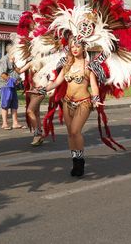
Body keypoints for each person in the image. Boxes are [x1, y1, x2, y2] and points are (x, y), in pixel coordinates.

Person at [37, 39, 103, 177]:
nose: (74, 49)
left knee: (75, 131)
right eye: (72, 46)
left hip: (83, 102)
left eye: (78, 46)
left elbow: (94, 86)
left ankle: (81, 160)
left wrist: (96, 99)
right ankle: (75, 161)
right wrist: (43, 89)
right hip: (67, 102)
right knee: (70, 134)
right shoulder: (67, 65)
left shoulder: (89, 65)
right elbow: (56, 82)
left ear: (83, 48)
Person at [0, 45, 24, 130]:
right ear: (10, 51)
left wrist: (14, 64)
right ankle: (5, 123)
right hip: (5, 85)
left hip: (13, 85)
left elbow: (19, 71)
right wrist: (12, 80)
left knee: (14, 104)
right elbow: (2, 74)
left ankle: (15, 123)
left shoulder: (14, 60)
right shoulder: (4, 59)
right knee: (5, 104)